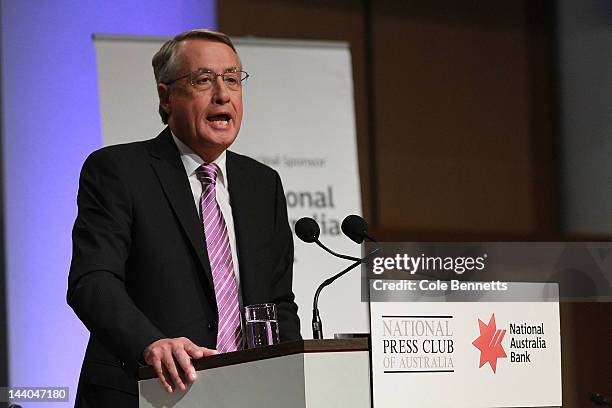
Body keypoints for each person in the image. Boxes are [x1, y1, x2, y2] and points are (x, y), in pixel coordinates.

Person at [67, 29, 301, 407]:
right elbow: (92, 281)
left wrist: (289, 381)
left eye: (232, 79)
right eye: (203, 80)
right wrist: (150, 343)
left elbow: (278, 302)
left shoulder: (263, 184)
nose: (223, 94)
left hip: (246, 394)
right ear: (166, 96)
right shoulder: (119, 171)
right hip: (148, 391)